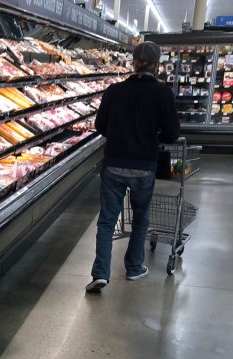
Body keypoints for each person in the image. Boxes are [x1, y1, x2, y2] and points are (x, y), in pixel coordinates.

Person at [85, 41, 180, 294]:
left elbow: (100, 126)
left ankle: (100, 274)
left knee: (107, 221)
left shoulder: (114, 90)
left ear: (132, 62)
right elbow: (171, 133)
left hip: (114, 163)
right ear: (157, 65)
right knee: (140, 219)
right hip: (143, 165)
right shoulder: (163, 93)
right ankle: (134, 268)